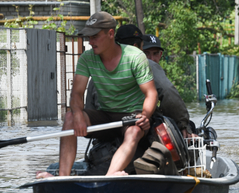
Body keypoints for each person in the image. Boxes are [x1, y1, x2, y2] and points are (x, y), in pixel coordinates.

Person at [41, 12, 157, 178]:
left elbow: (151, 93)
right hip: (106, 115)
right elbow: (76, 93)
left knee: (133, 132)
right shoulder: (87, 58)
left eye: (94, 36)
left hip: (132, 116)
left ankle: (109, 178)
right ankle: (62, 178)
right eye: (89, 37)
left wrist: (145, 115)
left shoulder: (135, 56)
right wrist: (78, 113)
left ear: (110, 34)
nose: (90, 42)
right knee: (69, 118)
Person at [87, 25, 192, 139]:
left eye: (155, 53)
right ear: (137, 46)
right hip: (137, 127)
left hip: (106, 131)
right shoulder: (144, 63)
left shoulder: (99, 68)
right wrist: (182, 124)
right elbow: (168, 92)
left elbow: (89, 107)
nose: (151, 58)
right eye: (146, 52)